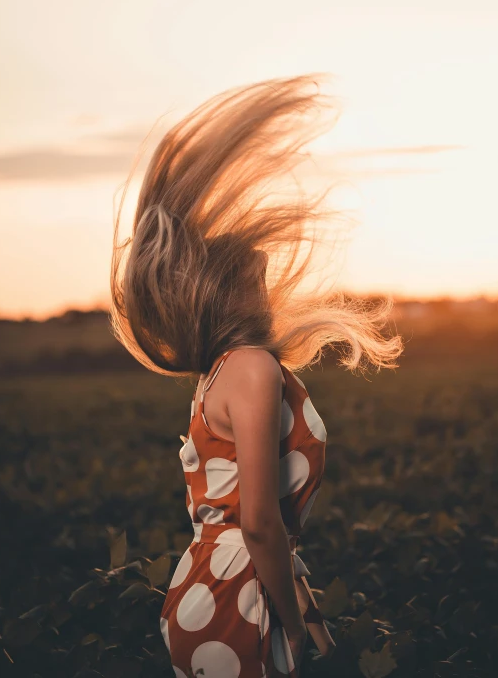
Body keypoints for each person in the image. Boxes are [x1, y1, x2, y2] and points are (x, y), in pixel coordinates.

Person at [110, 73, 403, 677]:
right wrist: (292, 631)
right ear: (231, 296)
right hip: (234, 604)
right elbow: (260, 524)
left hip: (213, 591)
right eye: (256, 278)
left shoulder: (225, 370)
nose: (269, 286)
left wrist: (310, 613)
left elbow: (256, 528)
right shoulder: (252, 369)